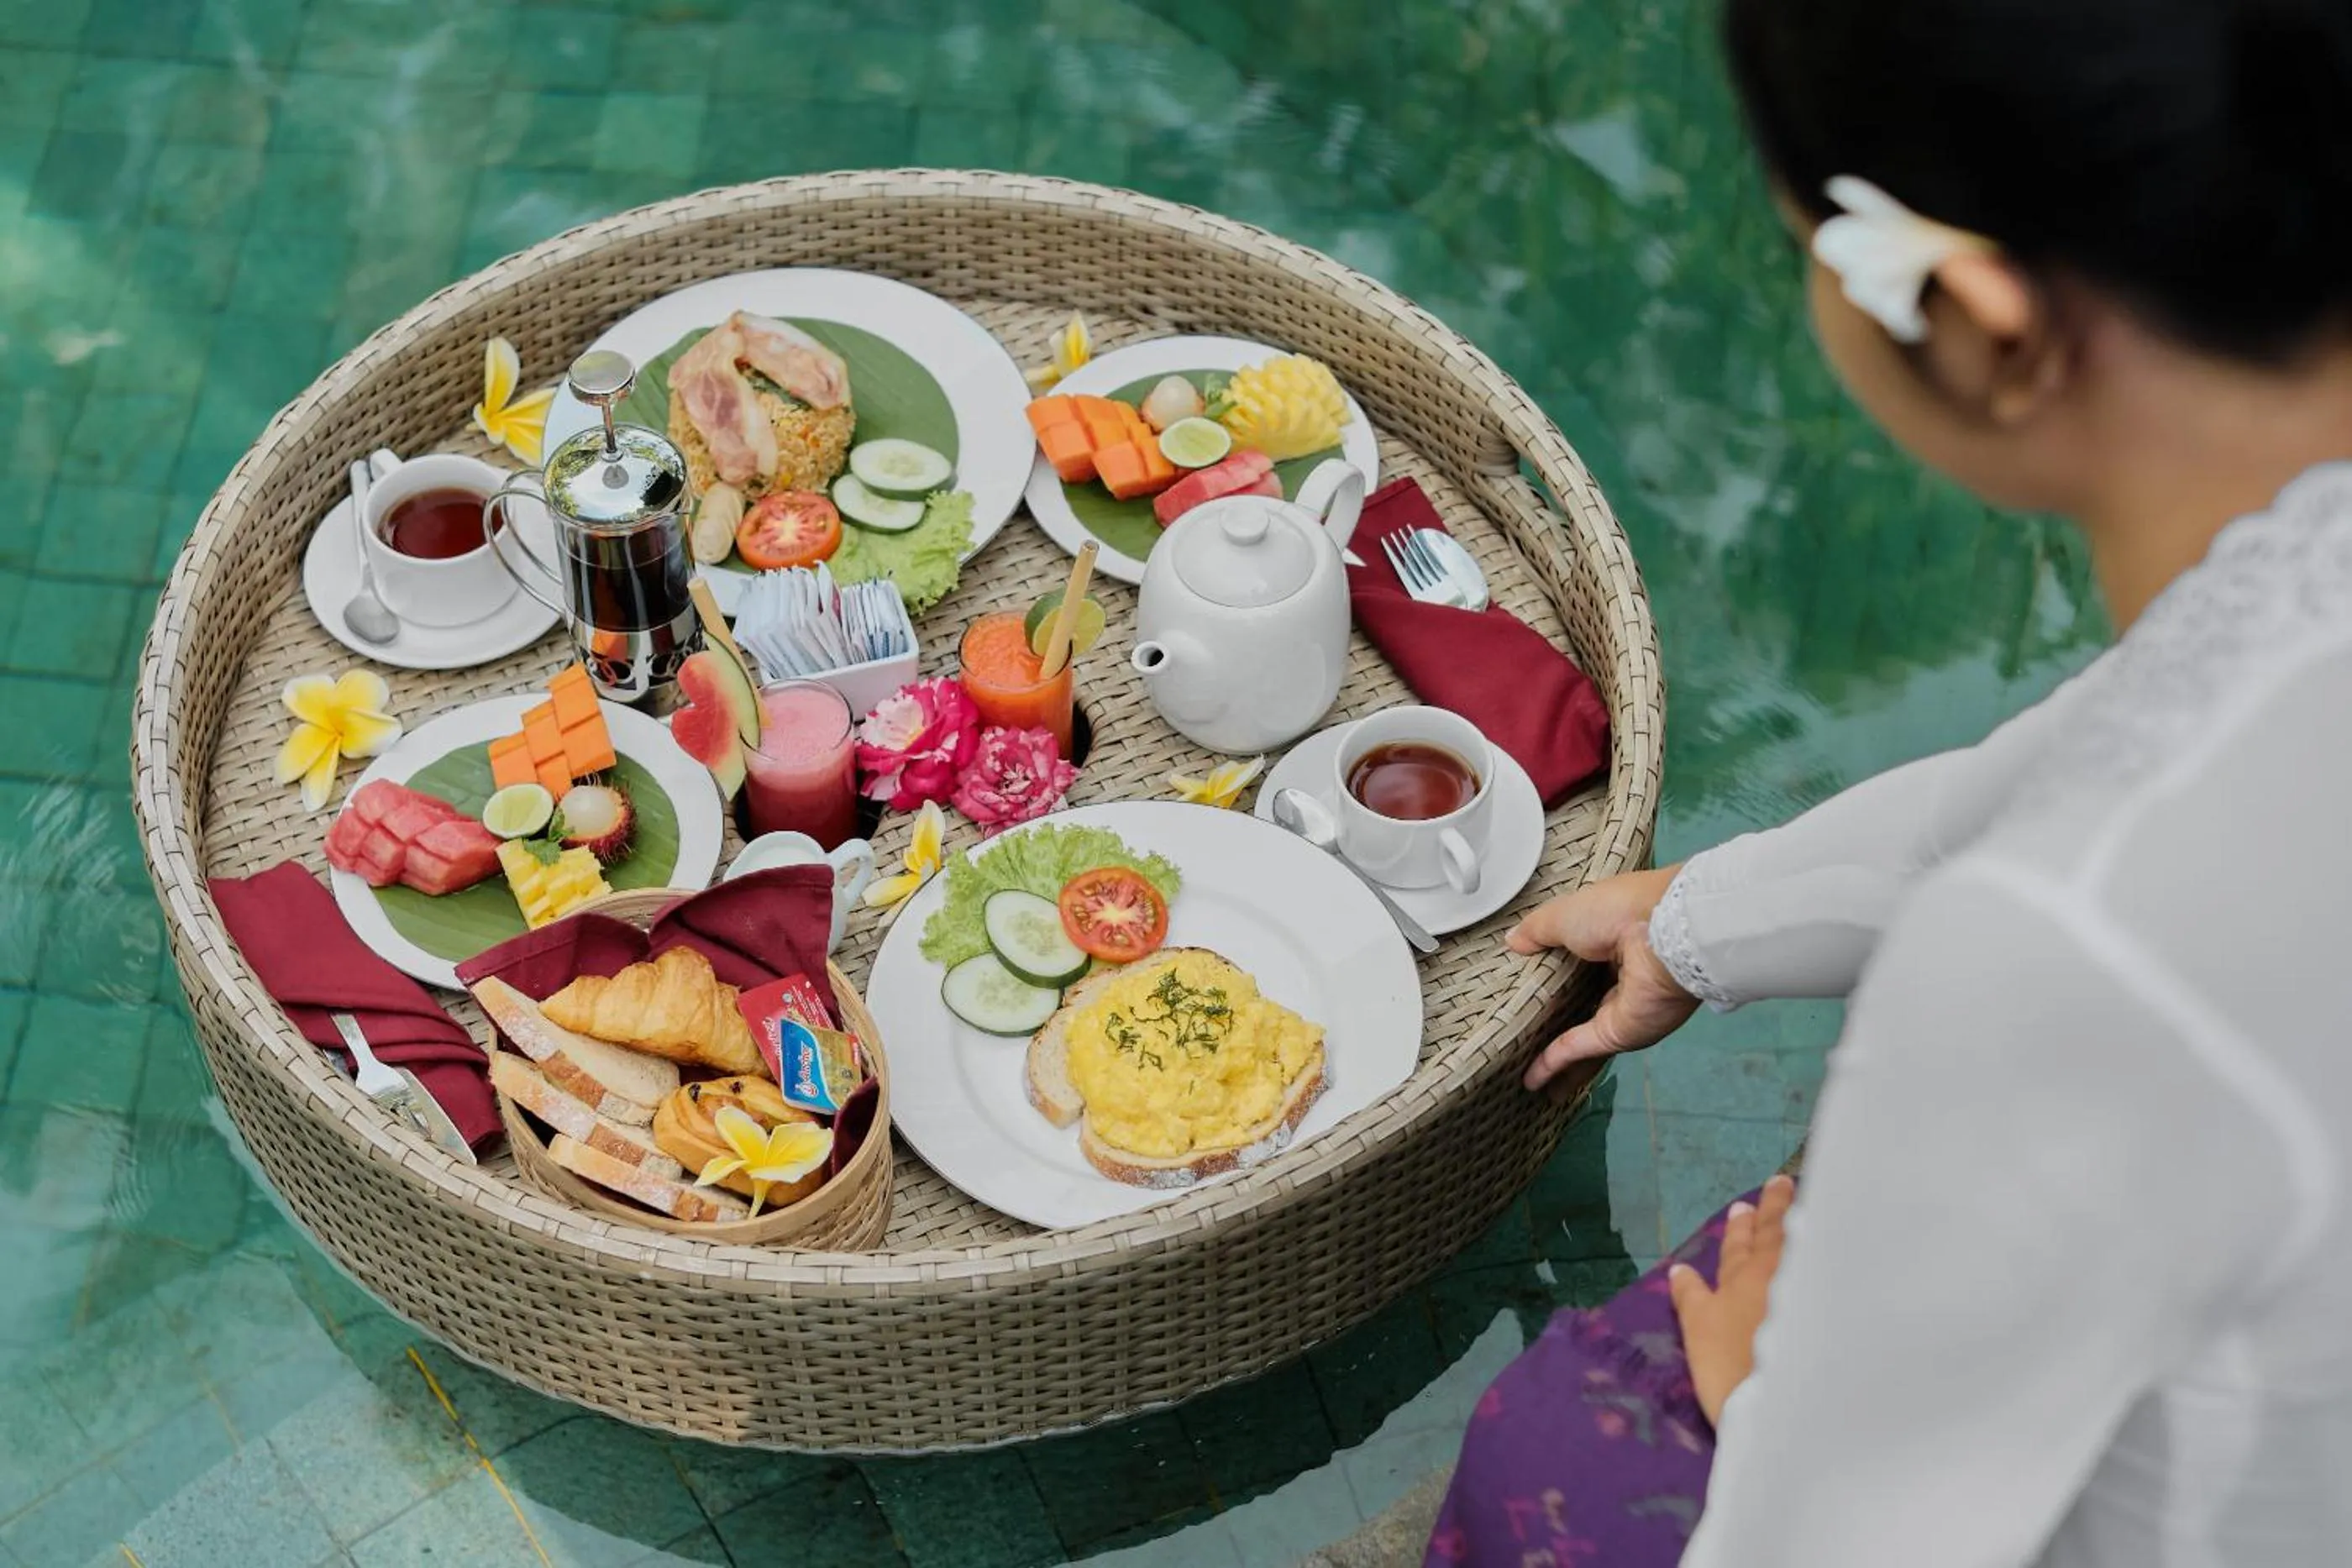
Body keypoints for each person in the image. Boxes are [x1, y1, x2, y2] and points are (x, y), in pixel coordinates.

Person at [1428, 0, 2352, 1563]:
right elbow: (2065, 770)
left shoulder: (2065, 960)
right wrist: (1697, 919)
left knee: (1547, 1444)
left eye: (1813, 250)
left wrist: (1762, 1396)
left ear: (1984, 324)